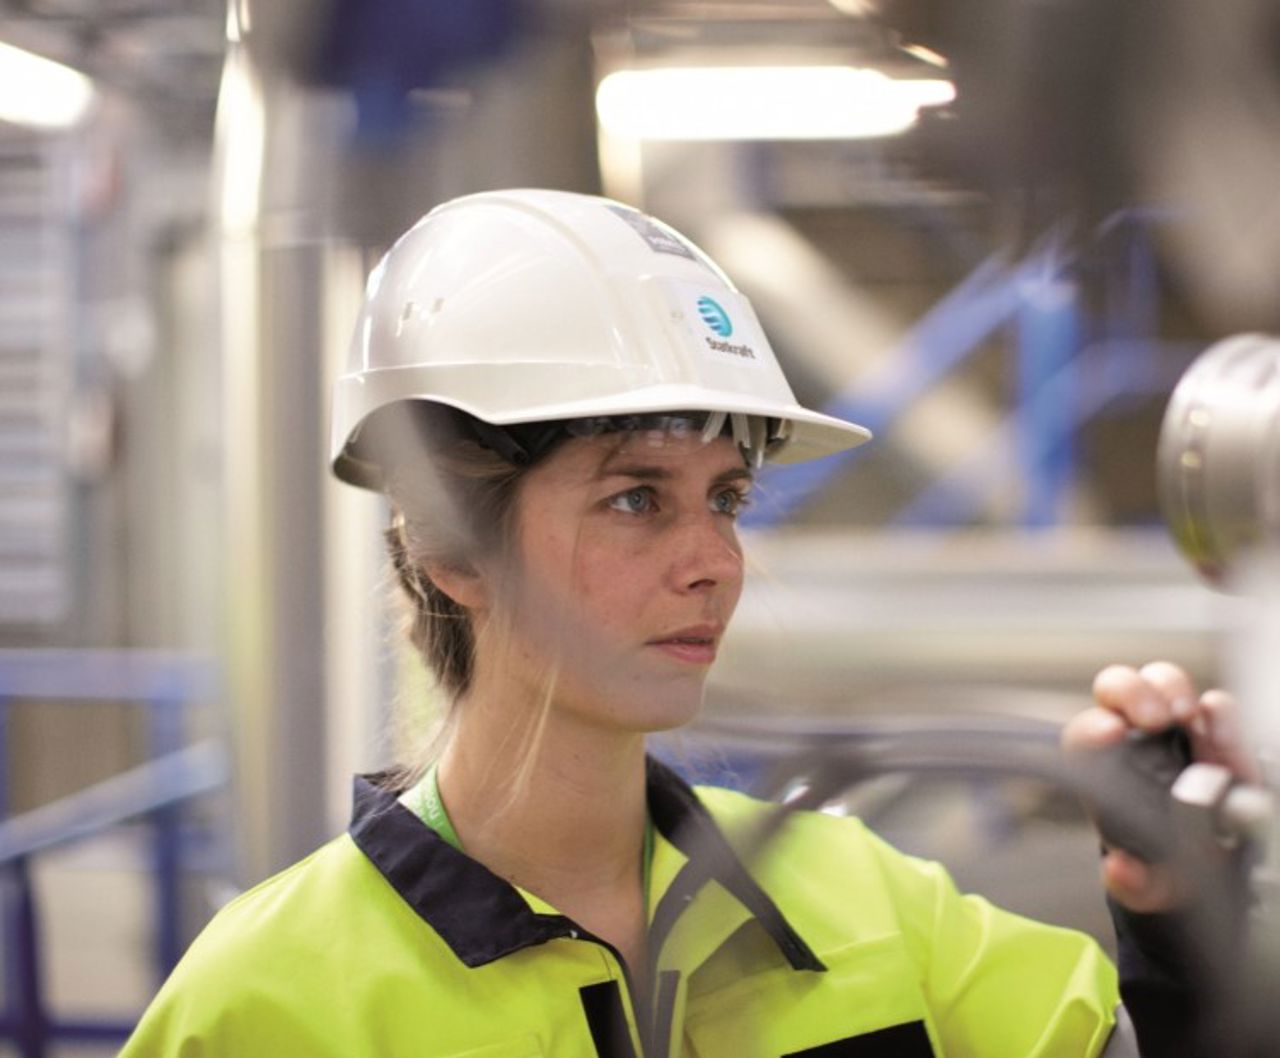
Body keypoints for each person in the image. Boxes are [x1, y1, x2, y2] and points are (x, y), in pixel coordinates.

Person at [121, 189, 1247, 1057]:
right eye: (633, 498)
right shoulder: (265, 1000)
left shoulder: (860, 898)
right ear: (449, 547)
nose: (713, 562)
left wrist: (1176, 915)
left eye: (725, 498)